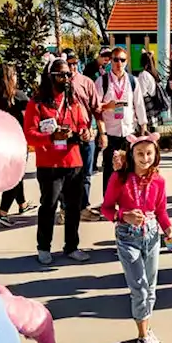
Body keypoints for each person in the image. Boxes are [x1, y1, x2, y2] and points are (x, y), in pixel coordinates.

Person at [101, 134, 172, 343]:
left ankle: (147, 327)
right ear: (131, 155)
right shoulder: (119, 178)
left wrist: (170, 232)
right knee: (140, 288)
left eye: (149, 154)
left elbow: (162, 211)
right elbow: (105, 209)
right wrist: (124, 215)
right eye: (140, 154)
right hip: (127, 237)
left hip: (152, 235)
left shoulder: (159, 181)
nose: (145, 158)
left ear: (156, 155)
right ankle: (143, 338)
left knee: (151, 288)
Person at [24, 58, 94, 265]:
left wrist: (84, 133)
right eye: (61, 75)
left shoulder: (73, 101)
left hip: (73, 161)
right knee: (49, 205)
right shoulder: (36, 102)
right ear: (50, 77)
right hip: (49, 164)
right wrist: (51, 138)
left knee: (74, 207)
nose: (66, 78)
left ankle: (71, 246)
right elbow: (29, 134)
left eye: (68, 75)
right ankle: (44, 247)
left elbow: (83, 123)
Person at [0, 63, 36, 227]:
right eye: (14, 75)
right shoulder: (17, 96)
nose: (16, 78)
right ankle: (3, 212)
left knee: (14, 175)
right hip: (16, 142)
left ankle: (22, 204)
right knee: (15, 176)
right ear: (9, 77)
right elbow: (34, 110)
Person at [95, 46, 149, 192]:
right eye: (116, 59)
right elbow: (95, 107)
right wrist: (108, 106)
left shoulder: (133, 81)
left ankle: (127, 204)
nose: (119, 63)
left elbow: (139, 104)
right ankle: (108, 206)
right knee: (110, 171)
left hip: (128, 132)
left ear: (127, 62)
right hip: (111, 133)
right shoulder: (102, 81)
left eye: (122, 60)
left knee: (129, 170)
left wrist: (143, 128)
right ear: (110, 61)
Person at [64, 49, 105, 222]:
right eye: (69, 63)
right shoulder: (56, 84)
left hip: (86, 135)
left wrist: (101, 132)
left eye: (74, 63)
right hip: (66, 137)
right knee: (66, 174)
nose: (72, 67)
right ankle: (65, 208)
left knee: (86, 174)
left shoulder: (86, 82)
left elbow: (96, 109)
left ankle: (83, 207)